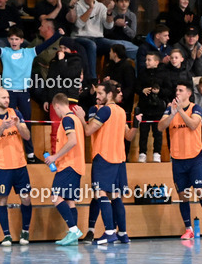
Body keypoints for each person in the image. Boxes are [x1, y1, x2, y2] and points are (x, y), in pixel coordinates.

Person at [0, 24, 63, 162]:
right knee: (6, 123)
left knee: (26, 123)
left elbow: (46, 44)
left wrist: (58, 35)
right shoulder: (5, 52)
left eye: (16, 39)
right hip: (8, 94)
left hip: (23, 93)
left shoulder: (28, 53)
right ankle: (4, 153)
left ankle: (30, 155)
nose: (14, 42)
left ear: (22, 40)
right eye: (11, 39)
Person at [158, 80, 202, 240]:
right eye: (176, 90)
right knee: (183, 195)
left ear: (188, 93)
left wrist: (180, 111)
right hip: (178, 159)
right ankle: (188, 229)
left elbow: (193, 125)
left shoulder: (195, 108)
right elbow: (160, 127)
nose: (177, 93)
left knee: (200, 192)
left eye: (180, 90)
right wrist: (173, 112)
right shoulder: (169, 109)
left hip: (194, 158)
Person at [83, 81, 137, 245]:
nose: (97, 96)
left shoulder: (105, 110)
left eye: (100, 93)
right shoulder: (121, 112)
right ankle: (123, 233)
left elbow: (87, 131)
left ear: (109, 94)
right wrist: (136, 124)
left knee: (100, 194)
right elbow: (129, 137)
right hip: (119, 158)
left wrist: (80, 117)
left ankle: (109, 232)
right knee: (115, 196)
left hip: (104, 156)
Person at [0, 88, 33, 246]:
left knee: (25, 198)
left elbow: (27, 136)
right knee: (2, 199)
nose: (7, 100)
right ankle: (6, 235)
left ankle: (25, 231)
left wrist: (19, 126)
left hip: (19, 164)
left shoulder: (16, 113)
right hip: (1, 165)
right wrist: (2, 128)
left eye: (8, 97)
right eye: (4, 97)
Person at [44, 93, 86, 246]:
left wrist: (55, 157)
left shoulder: (67, 119)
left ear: (56, 106)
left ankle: (73, 229)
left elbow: (72, 141)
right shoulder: (76, 119)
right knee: (70, 201)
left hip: (68, 165)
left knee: (55, 197)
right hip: (77, 165)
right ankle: (73, 235)